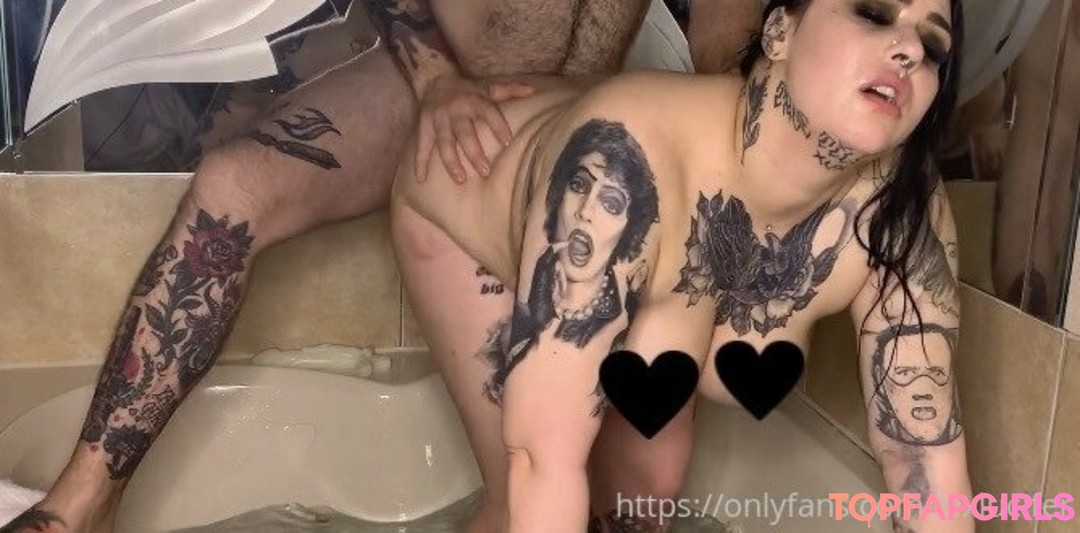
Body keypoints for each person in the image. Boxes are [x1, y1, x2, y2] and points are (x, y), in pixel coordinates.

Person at [0, 2, 765, 533]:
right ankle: (81, 502)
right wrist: (435, 80)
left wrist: (722, 151)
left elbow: (725, 23)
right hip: (443, 76)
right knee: (232, 189)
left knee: (601, 474)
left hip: (594, 98)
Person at [392, 0, 975, 531]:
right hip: (469, 187)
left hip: (645, 225)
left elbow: (923, 452)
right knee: (517, 502)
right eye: (873, 13)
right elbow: (542, 461)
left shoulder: (903, 209)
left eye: (933, 47)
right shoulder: (622, 162)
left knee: (643, 501)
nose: (910, 50)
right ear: (779, 30)